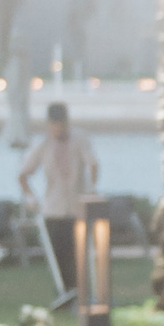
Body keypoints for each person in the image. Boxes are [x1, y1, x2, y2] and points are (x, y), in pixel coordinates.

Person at [17, 101, 97, 302]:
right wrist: (31, 196)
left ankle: (81, 292)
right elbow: (24, 174)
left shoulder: (80, 140)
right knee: (59, 254)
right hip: (54, 209)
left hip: (76, 208)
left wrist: (90, 189)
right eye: (54, 124)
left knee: (78, 254)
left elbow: (92, 163)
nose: (58, 129)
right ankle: (63, 293)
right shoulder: (43, 145)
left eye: (61, 124)